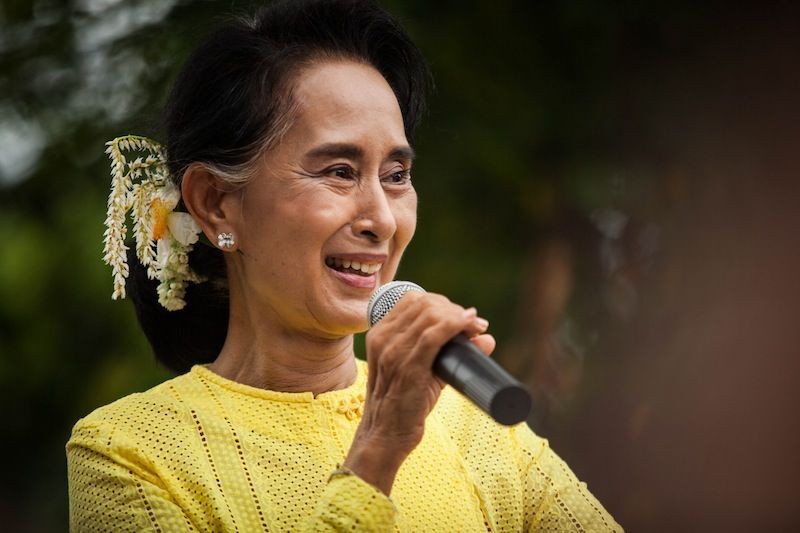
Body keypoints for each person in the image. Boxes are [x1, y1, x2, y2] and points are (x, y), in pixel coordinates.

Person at [67, 0, 623, 531]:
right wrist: (379, 446)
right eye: (339, 171)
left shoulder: (478, 427)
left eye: (396, 176)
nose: (381, 219)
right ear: (216, 204)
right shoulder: (127, 453)